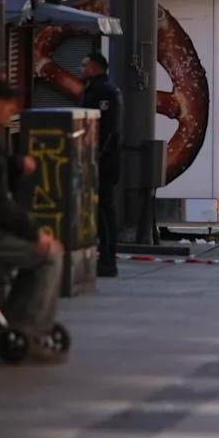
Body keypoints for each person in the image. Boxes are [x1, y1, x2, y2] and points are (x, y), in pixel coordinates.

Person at [0, 81, 65, 363]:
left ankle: (14, 323)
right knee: (49, 254)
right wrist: (34, 233)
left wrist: (15, 163)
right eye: (6, 102)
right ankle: (28, 330)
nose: (12, 109)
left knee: (44, 252)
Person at [80, 52, 123, 278]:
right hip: (100, 160)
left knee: (104, 211)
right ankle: (103, 258)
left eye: (85, 64)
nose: (81, 68)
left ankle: (107, 260)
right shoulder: (97, 89)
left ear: (95, 67)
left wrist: (95, 157)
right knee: (101, 211)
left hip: (103, 162)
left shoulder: (104, 91)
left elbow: (107, 130)